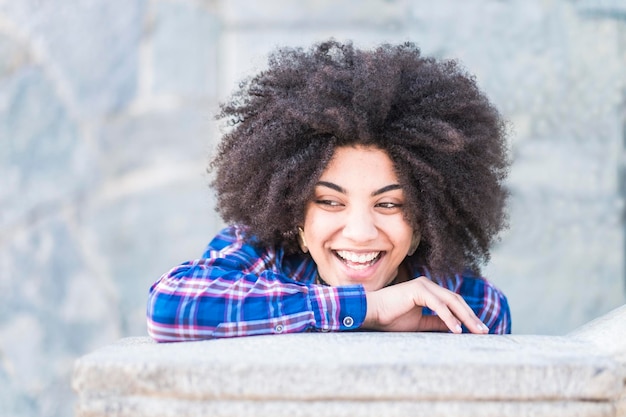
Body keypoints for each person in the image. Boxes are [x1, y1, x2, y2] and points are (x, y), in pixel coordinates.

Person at [147, 40, 511, 342]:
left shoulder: (450, 294)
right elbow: (169, 308)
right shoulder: (264, 254)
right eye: (330, 201)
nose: (360, 232)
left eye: (388, 203)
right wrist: (368, 309)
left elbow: (491, 312)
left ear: (422, 224)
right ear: (295, 215)